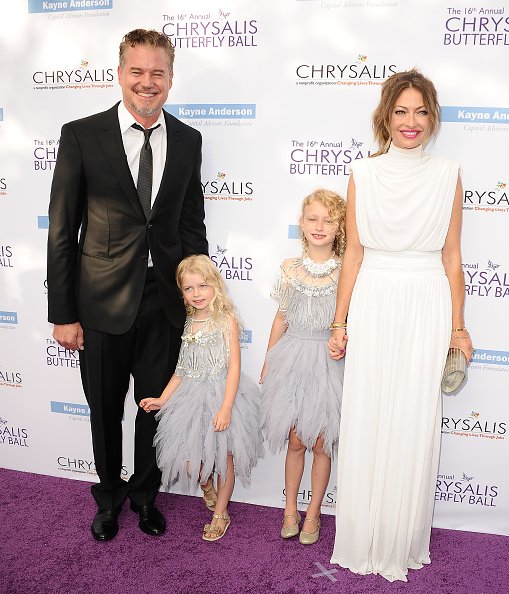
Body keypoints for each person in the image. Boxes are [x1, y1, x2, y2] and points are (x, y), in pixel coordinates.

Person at [46, 29, 208, 541]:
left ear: (171, 79)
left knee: (153, 409)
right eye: (137, 71)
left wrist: (200, 299)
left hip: (165, 305)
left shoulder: (187, 140)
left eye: (157, 73)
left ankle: (145, 495)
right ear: (120, 74)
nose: (147, 82)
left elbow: (191, 227)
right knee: (105, 409)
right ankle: (109, 498)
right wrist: (63, 313)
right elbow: (61, 231)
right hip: (98, 305)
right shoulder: (81, 135)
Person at [328, 69, 474, 581]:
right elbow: (353, 258)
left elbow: (453, 257)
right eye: (400, 111)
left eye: (421, 112)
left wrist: (458, 327)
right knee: (368, 413)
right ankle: (363, 535)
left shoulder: (448, 172)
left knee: (414, 416)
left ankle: (400, 538)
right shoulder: (362, 174)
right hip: (374, 296)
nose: (411, 122)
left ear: (432, 118)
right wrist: (340, 320)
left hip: (427, 298)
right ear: (385, 117)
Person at [140, 255, 264, 541]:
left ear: (216, 286)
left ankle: (221, 513)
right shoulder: (187, 322)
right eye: (189, 289)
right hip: (190, 397)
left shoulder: (225, 320)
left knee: (225, 458)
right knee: (190, 460)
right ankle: (206, 484)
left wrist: (226, 407)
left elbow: (234, 366)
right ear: (181, 292)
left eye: (202, 286)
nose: (197, 294)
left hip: (223, 394)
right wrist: (161, 399)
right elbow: (181, 370)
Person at [259, 189, 346, 545]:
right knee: (296, 440)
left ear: (340, 227)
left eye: (328, 219)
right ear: (302, 224)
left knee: (322, 443)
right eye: (313, 219)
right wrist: (269, 360)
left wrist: (344, 339)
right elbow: (281, 317)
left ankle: (314, 513)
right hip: (292, 358)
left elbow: (351, 319)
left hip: (328, 363)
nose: (320, 226)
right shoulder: (289, 269)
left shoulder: (347, 271)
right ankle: (289, 509)